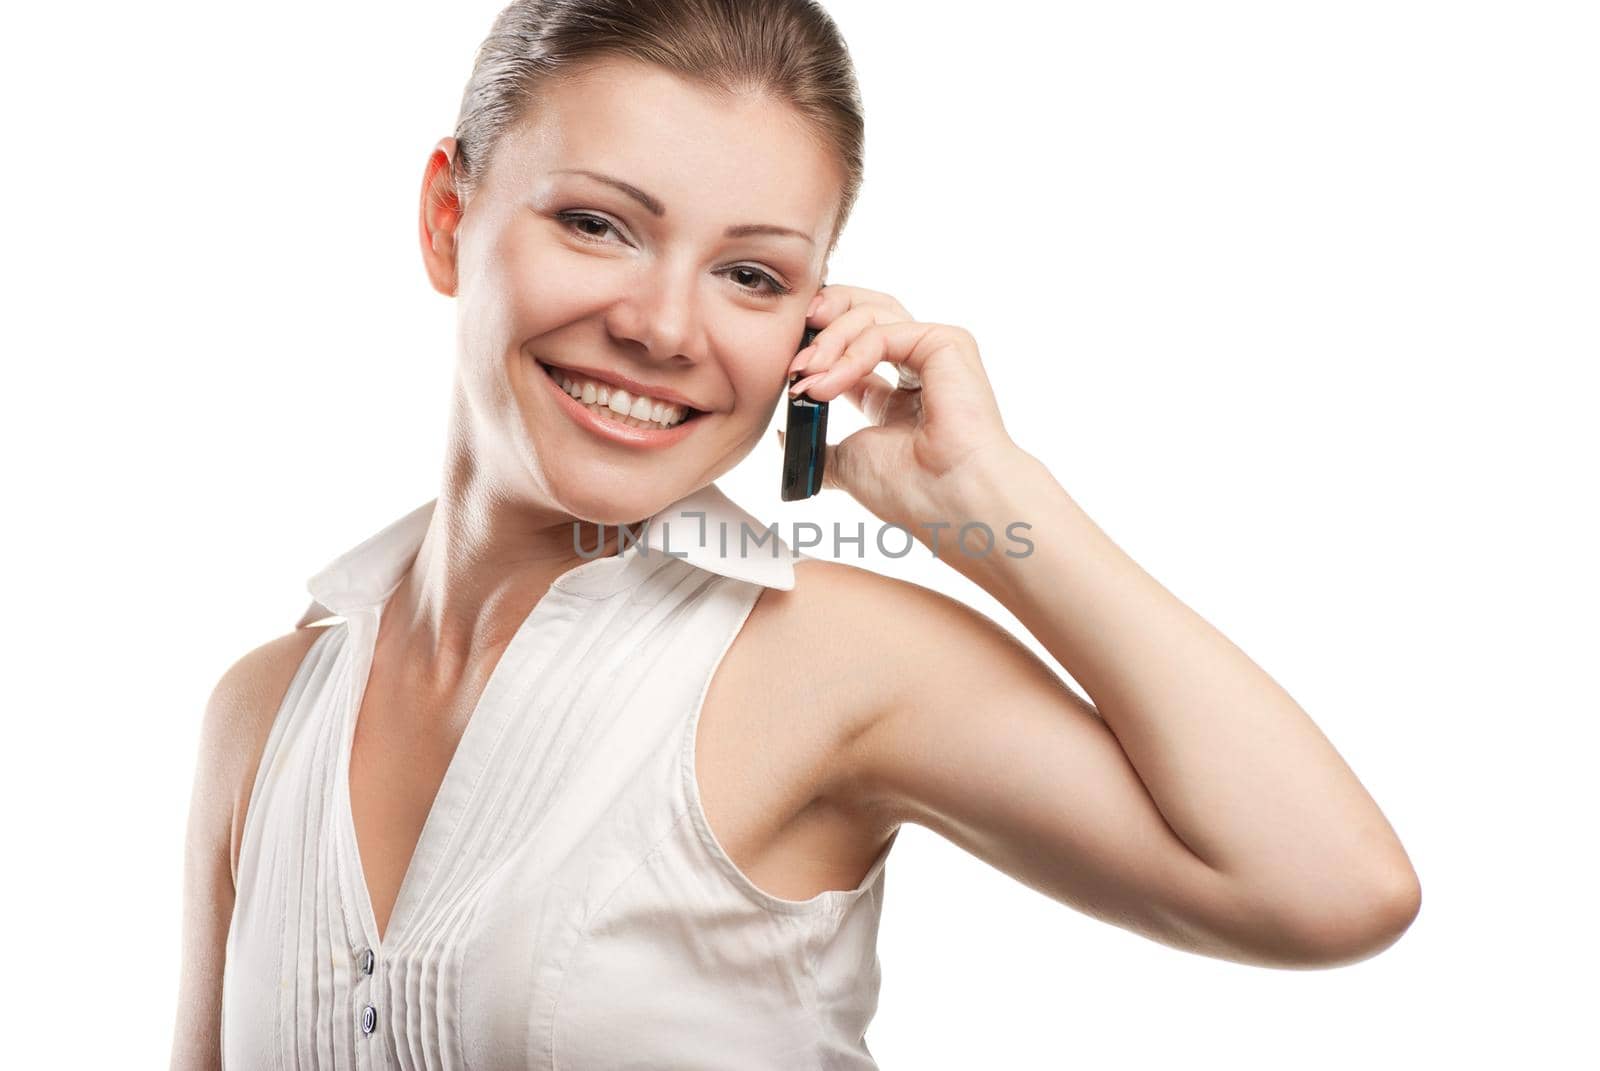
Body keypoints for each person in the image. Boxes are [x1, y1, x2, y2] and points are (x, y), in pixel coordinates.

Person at [170, 1, 1422, 1066]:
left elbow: (1331, 890)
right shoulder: (269, 707)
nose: (664, 327)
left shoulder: (827, 658)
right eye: (598, 224)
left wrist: (985, 498)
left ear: (814, 321)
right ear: (448, 216)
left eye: (752, 276)